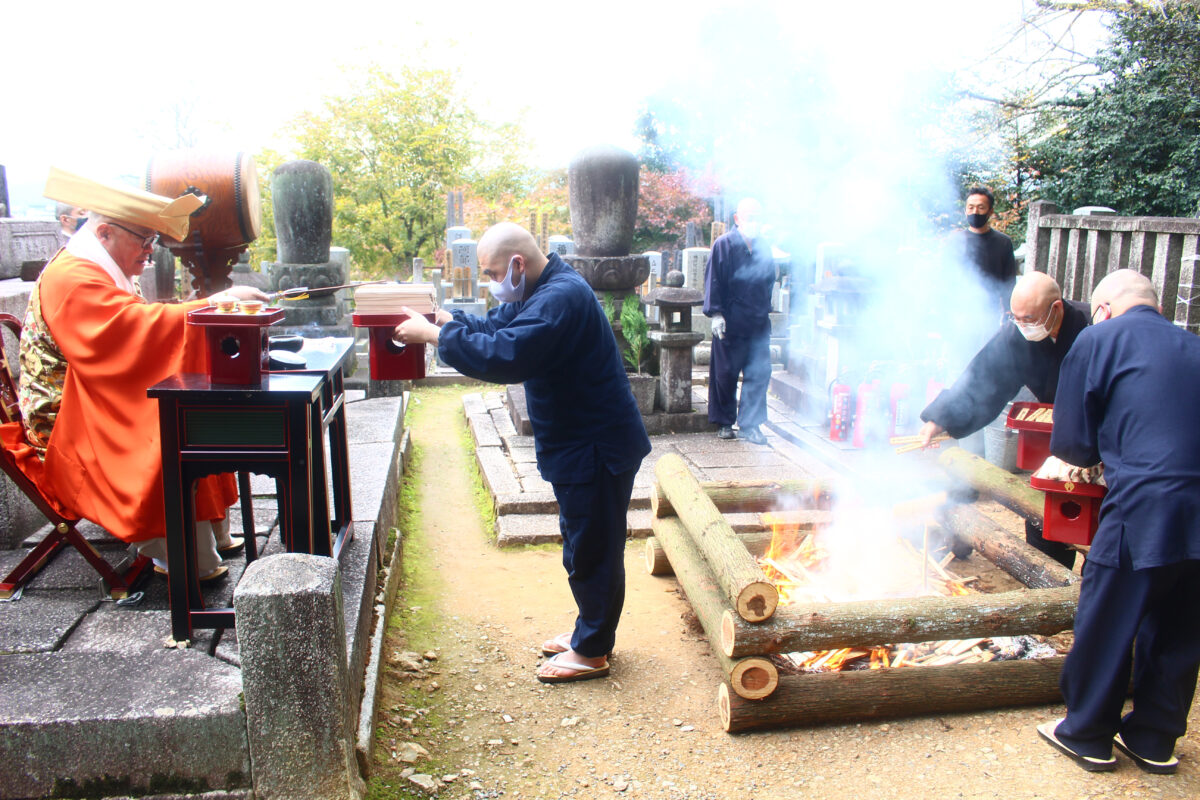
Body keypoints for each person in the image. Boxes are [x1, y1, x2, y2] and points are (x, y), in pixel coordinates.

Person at [394, 222, 651, 684]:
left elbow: (506, 354)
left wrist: (434, 337)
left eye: (494, 274)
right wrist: (449, 322)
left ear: (518, 264)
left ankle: (592, 649)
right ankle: (589, 631)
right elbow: (498, 326)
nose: (493, 283)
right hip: (580, 441)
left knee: (593, 548)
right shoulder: (542, 290)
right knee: (582, 542)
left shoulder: (560, 297)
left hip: (596, 444)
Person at [6, 168, 267, 581]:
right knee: (167, 427)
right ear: (105, 232)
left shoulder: (98, 266)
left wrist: (212, 307)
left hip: (96, 391)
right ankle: (182, 552)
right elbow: (125, 336)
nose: (149, 252)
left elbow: (134, 330)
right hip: (65, 417)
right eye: (143, 240)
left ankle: (207, 534)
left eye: (153, 241)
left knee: (191, 408)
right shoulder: (72, 277)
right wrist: (214, 304)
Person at [1036, 270, 1200, 775]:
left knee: (1107, 619)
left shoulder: (1097, 339)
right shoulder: (1194, 347)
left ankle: (1087, 733)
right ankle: (1154, 739)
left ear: (1103, 309)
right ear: (1157, 306)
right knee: (1181, 627)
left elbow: (1074, 446)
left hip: (1143, 504)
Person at [918, 271, 1089, 568]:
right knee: (1045, 517)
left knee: (1095, 525)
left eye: (1029, 318)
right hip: (1053, 442)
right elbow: (984, 380)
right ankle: (1049, 582)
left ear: (1056, 308)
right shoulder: (1018, 334)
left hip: (1096, 441)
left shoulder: (1091, 329)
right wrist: (940, 418)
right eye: (1015, 318)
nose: (1022, 325)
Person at [703, 197, 775, 445]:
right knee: (725, 373)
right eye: (750, 217)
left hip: (757, 322)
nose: (754, 222)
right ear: (737, 218)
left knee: (759, 373)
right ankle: (724, 422)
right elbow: (714, 279)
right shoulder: (723, 244)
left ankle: (750, 425)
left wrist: (766, 309)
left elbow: (769, 281)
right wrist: (716, 313)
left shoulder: (764, 247)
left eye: (758, 217)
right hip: (730, 321)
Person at [948, 187, 1017, 316]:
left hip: (991, 310)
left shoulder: (1003, 242)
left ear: (990, 211)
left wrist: (1009, 310)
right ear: (965, 210)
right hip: (959, 310)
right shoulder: (955, 241)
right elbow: (946, 277)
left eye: (981, 207)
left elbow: (1009, 280)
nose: (975, 212)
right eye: (971, 207)